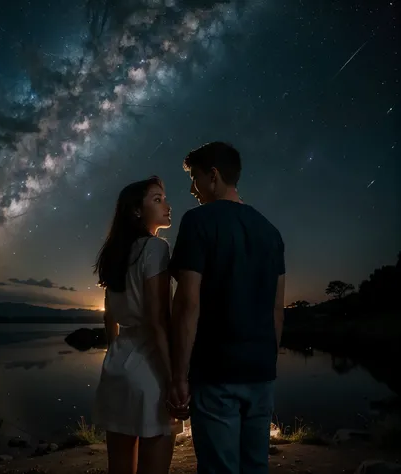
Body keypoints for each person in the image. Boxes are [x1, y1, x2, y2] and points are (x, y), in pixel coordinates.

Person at [167, 142, 286, 474]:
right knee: (255, 467)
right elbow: (278, 308)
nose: (192, 188)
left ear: (213, 176)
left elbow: (188, 301)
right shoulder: (271, 232)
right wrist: (267, 359)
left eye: (195, 178)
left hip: (216, 374)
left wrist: (179, 374)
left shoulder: (198, 222)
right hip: (261, 373)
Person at [93, 176, 183, 474]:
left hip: (116, 366)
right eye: (157, 199)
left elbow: (109, 317)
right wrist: (174, 379)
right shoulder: (155, 248)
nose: (167, 205)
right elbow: (158, 320)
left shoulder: (115, 254)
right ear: (135, 211)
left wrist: (113, 350)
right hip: (149, 368)